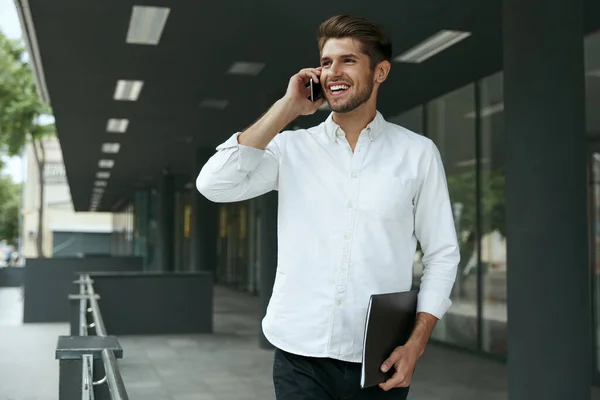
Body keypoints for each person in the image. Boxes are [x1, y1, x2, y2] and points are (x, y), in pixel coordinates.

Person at [196, 14, 459, 400]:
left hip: (379, 358)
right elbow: (213, 184)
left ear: (380, 72)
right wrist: (286, 109)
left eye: (348, 60)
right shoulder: (291, 149)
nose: (332, 71)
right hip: (298, 355)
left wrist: (416, 343)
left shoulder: (417, 153)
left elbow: (442, 254)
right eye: (325, 62)